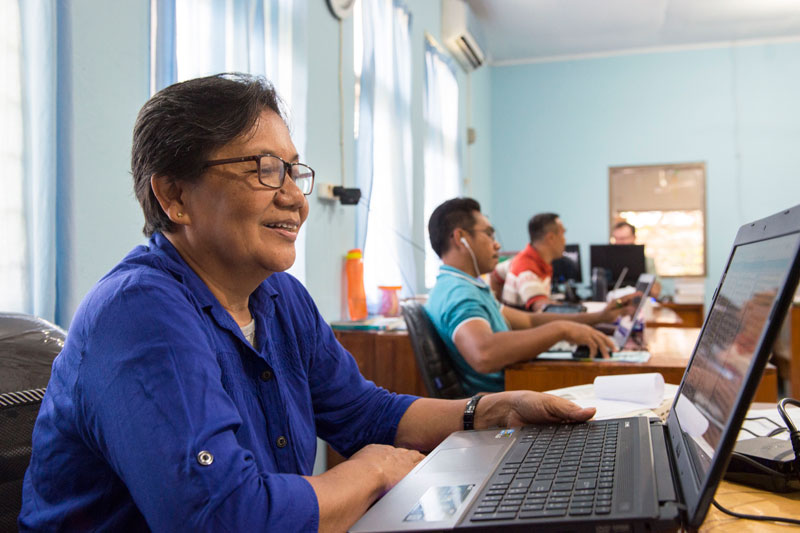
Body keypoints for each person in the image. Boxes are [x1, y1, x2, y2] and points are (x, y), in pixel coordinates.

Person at [18, 74, 599, 533]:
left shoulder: (279, 297)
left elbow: (363, 412)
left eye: (293, 170)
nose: (295, 197)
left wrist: (488, 412)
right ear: (173, 196)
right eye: (264, 169)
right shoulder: (139, 313)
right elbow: (223, 519)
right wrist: (372, 469)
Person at [426, 198, 636, 396]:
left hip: (517, 386)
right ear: (460, 238)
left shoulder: (466, 285)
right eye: (489, 234)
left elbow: (529, 320)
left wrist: (599, 316)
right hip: (505, 400)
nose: (497, 244)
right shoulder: (459, 292)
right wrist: (560, 330)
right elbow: (484, 354)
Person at [493, 213, 566, 311]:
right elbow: (544, 308)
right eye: (563, 234)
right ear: (551, 238)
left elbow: (494, 274)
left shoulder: (520, 260)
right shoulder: (526, 270)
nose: (565, 240)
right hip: (525, 325)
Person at [611, 220, 662, 298]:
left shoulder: (647, 261)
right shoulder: (608, 261)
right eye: (616, 239)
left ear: (634, 237)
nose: (619, 242)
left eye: (623, 238)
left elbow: (656, 292)